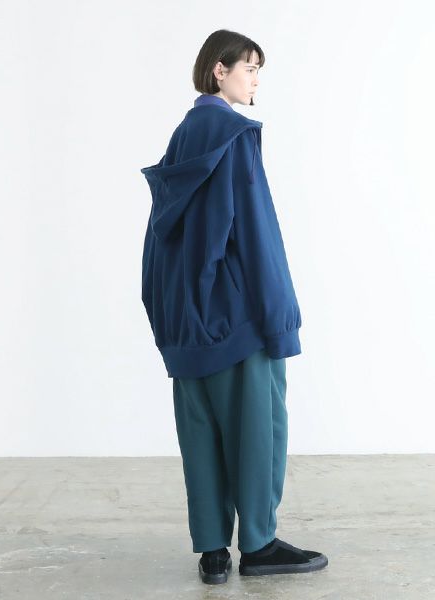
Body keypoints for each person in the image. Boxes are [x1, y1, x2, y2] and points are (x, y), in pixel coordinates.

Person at [140, 29, 328, 585]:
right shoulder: (234, 136)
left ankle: (212, 553)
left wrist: (170, 313)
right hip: (238, 317)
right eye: (249, 68)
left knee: (200, 433)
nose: (256, 81)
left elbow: (161, 239)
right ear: (218, 71)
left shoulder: (183, 137)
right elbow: (254, 231)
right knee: (259, 431)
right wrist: (279, 315)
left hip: (188, 319)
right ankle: (260, 545)